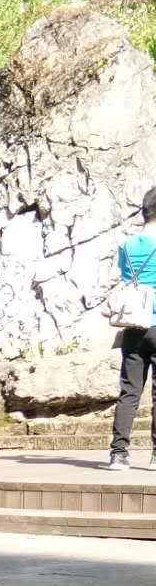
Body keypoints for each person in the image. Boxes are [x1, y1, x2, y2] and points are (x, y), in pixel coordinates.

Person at [110, 185, 156, 468]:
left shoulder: (127, 245)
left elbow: (126, 276)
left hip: (132, 324)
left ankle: (118, 453)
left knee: (129, 391)